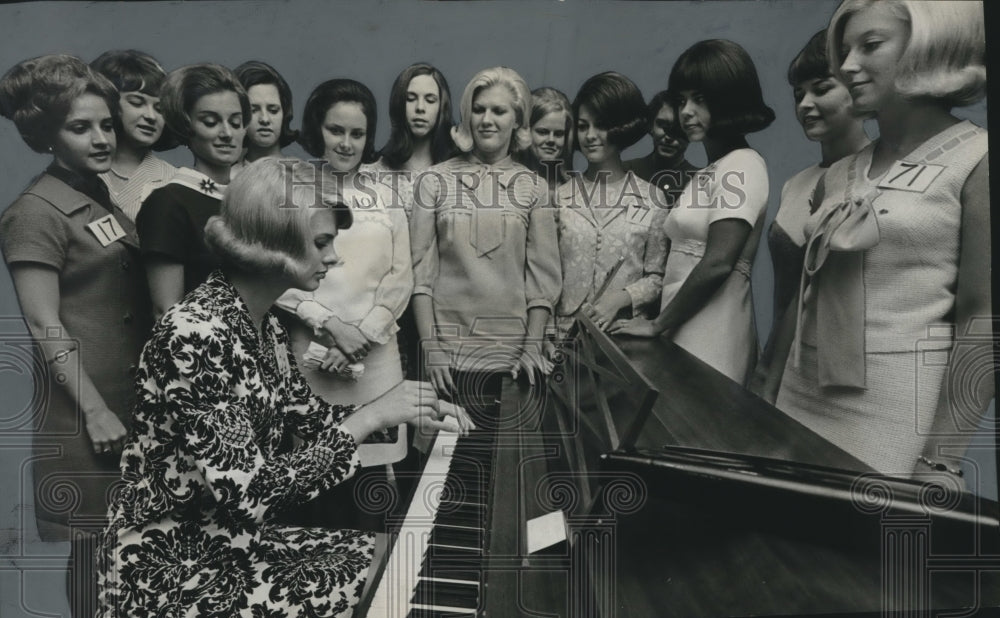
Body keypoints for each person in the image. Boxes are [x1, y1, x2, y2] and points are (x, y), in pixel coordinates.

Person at [95, 157, 471, 617]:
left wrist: (407, 413)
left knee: (396, 561)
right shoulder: (194, 335)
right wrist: (371, 416)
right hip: (171, 567)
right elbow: (251, 497)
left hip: (231, 543)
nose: (334, 257)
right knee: (391, 585)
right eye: (321, 243)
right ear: (275, 245)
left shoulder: (264, 324)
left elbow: (311, 420)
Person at [772, 0, 989, 477]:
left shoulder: (977, 159)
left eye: (870, 46)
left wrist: (943, 459)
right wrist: (766, 398)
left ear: (931, 46)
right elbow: (806, 299)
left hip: (891, 417)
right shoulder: (841, 173)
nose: (848, 66)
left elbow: (984, 317)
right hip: (798, 399)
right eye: (844, 51)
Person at [0, 54, 152, 617]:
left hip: (127, 399)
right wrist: (95, 411)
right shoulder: (35, 212)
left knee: (129, 551)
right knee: (94, 553)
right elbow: (44, 324)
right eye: (79, 127)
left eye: (106, 124)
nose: (101, 137)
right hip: (87, 409)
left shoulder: (96, 195)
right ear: (46, 136)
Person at [610, 39, 774, 386]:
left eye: (699, 99)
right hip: (683, 325)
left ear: (728, 98)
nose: (685, 111)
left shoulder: (742, 165)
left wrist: (657, 323)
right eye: (682, 99)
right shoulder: (711, 170)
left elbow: (718, 262)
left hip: (713, 329)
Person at [277, 79, 412, 470]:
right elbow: (275, 272)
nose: (346, 143)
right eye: (335, 130)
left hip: (376, 358)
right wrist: (332, 326)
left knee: (378, 479)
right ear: (317, 127)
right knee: (315, 476)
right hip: (313, 356)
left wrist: (362, 336)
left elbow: (401, 278)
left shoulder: (386, 196)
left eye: (357, 133)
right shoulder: (291, 190)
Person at [410, 66, 561, 399]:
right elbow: (420, 274)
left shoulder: (535, 189)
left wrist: (532, 348)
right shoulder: (433, 182)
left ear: (517, 120)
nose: (486, 120)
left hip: (514, 358)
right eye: (478, 110)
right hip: (446, 359)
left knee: (501, 450)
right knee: (443, 449)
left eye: (498, 111)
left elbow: (542, 283)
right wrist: (431, 348)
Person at [751, 28, 870, 400]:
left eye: (820, 88)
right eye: (798, 94)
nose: (803, 104)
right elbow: (786, 298)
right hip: (781, 368)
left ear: (857, 86)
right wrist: (767, 372)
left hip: (842, 380)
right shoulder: (795, 184)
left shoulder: (878, 177)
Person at [553, 72, 668, 339]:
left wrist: (622, 298)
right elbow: (545, 276)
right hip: (563, 338)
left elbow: (657, 277)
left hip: (623, 337)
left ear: (622, 128)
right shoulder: (559, 197)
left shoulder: (653, 199)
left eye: (601, 125)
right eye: (582, 126)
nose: (590, 136)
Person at [362, 63, 455, 380]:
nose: (419, 108)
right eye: (411, 98)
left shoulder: (457, 174)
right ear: (398, 105)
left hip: (443, 315)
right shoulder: (373, 174)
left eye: (430, 100)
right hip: (388, 315)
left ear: (442, 107)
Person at [135, 63, 249, 319]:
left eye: (236, 122)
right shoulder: (168, 202)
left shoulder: (248, 199)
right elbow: (166, 312)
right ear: (187, 126)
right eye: (211, 122)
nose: (227, 133)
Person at [90, 49, 177, 222]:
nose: (151, 117)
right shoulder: (80, 170)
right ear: (108, 102)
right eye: (137, 103)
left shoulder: (175, 181)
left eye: (159, 109)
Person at [624, 89, 698, 206]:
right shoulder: (625, 172)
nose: (669, 137)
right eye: (662, 125)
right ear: (651, 126)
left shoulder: (699, 181)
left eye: (678, 129)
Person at [232, 60, 298, 173]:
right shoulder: (226, 178)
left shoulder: (302, 176)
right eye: (254, 110)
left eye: (273, 110)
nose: (265, 119)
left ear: (284, 113)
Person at [515, 86, 574, 193]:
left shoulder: (576, 189)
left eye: (558, 134)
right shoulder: (506, 184)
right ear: (525, 131)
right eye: (542, 132)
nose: (551, 140)